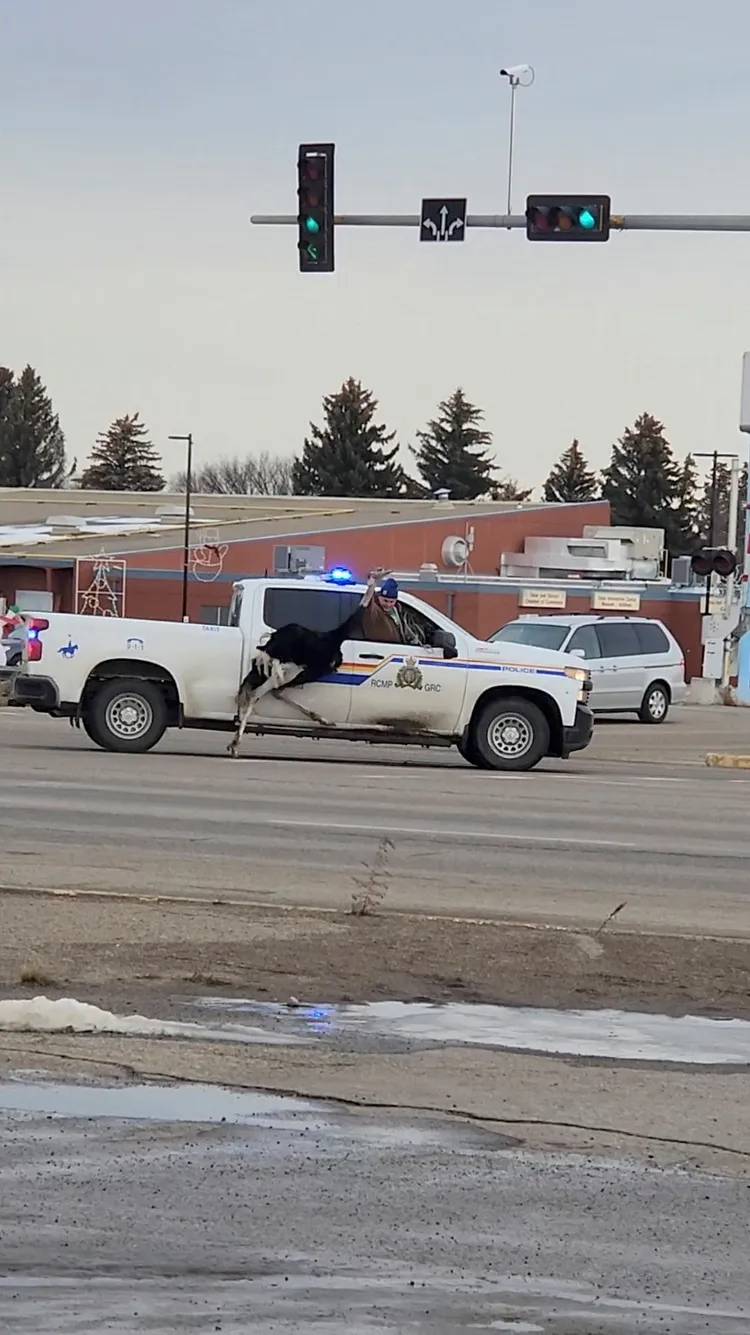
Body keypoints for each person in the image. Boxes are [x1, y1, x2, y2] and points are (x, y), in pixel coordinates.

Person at [358, 574, 423, 645]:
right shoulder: (374, 611)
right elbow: (366, 603)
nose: (388, 605)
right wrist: (372, 586)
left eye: (391, 601)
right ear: (379, 597)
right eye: (385, 601)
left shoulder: (398, 610)